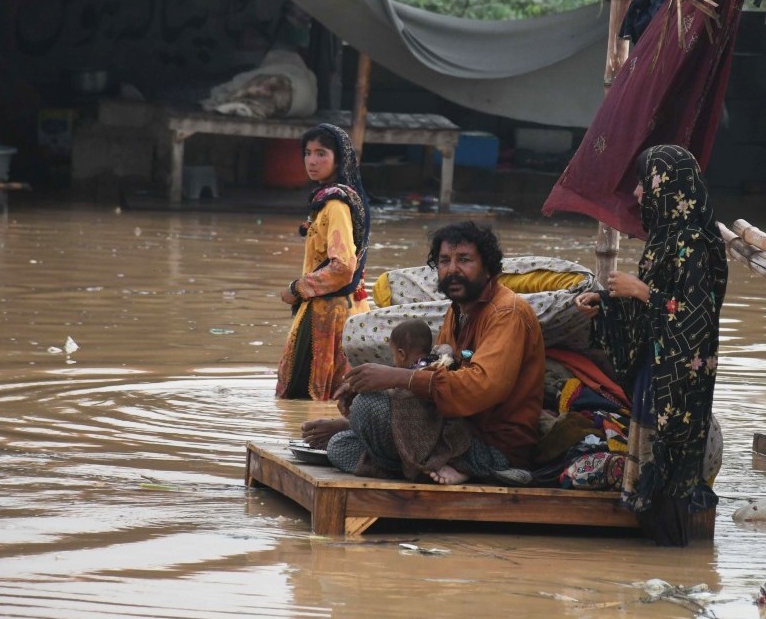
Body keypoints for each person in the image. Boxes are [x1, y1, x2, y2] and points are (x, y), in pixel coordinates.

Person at [302, 221, 545, 486]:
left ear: (487, 267)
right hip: (453, 432)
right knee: (341, 444)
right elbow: (432, 372)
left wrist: (396, 378)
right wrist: (356, 411)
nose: (452, 270)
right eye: (444, 261)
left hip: (492, 446)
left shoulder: (507, 312)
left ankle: (481, 468)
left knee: (368, 407)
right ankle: (423, 464)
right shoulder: (459, 311)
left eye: (464, 260)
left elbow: (480, 388)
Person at [574, 144, 727, 546]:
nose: (639, 194)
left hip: (677, 383)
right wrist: (607, 305)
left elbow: (697, 320)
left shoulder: (695, 243)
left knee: (667, 482)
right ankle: (660, 570)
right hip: (653, 374)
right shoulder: (663, 240)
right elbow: (652, 314)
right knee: (649, 486)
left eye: (645, 183)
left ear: (667, 187)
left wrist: (641, 292)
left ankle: (675, 573)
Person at [275, 124, 371, 401]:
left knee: (306, 397)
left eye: (321, 153)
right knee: (336, 398)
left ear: (339, 159)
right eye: (307, 153)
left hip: (327, 315)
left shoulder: (336, 205)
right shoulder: (335, 199)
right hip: (346, 307)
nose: (312, 161)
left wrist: (296, 289)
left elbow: (343, 267)